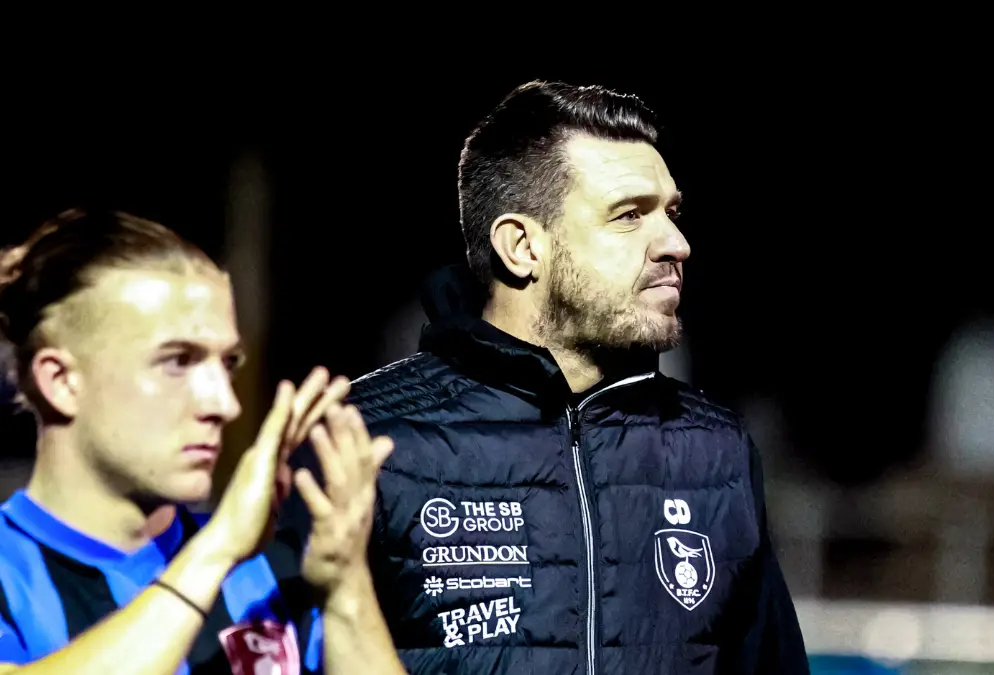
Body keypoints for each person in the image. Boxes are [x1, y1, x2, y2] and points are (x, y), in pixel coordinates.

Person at [284, 81, 809, 674]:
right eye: (629, 215)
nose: (676, 244)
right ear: (522, 247)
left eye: (671, 213)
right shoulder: (362, 438)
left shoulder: (716, 449)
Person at [0, 209, 408, 675]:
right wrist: (218, 548)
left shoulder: (266, 572)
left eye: (227, 363)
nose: (224, 403)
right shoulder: (10, 572)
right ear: (62, 381)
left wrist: (344, 580)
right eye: (177, 360)